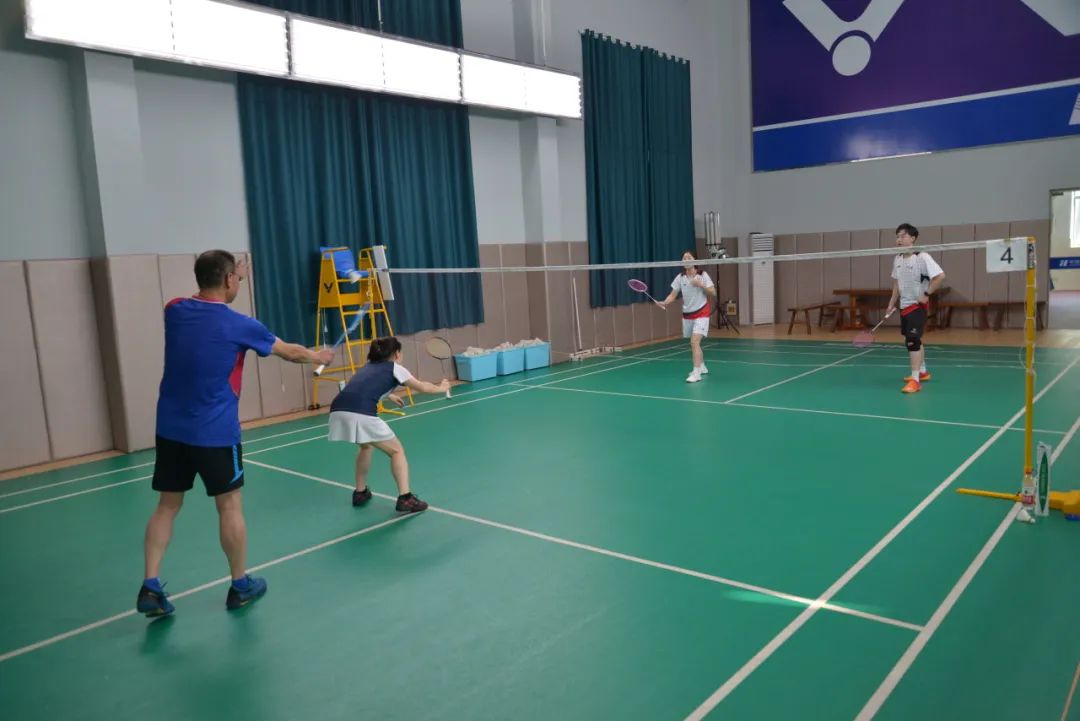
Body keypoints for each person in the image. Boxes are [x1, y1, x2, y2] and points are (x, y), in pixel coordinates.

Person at [137, 250, 334, 617]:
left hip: (171, 429)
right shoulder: (241, 325)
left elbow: (206, 295)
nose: (240, 283)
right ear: (228, 279)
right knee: (228, 506)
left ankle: (150, 585)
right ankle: (240, 585)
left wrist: (231, 272)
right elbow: (290, 353)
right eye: (238, 279)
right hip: (215, 433)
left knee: (167, 506)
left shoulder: (174, 310)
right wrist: (318, 357)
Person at [327, 336, 449, 512]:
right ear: (396, 354)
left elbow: (364, 387)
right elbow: (422, 387)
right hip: (361, 413)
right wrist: (442, 388)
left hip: (338, 410)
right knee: (396, 451)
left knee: (366, 447)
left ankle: (360, 492)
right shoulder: (396, 368)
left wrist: (389, 395)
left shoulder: (367, 367)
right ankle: (405, 498)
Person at [886, 223, 946, 394]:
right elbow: (896, 284)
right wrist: (891, 303)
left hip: (917, 306)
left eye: (903, 236)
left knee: (912, 341)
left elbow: (940, 276)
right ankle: (923, 372)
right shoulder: (897, 259)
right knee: (914, 339)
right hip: (904, 306)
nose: (899, 239)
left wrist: (926, 293)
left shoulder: (922, 257)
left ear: (913, 238)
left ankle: (915, 381)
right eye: (897, 236)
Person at [656, 251, 717, 383]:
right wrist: (665, 302)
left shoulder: (702, 275)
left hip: (702, 312)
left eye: (689, 257)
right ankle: (702, 366)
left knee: (694, 342)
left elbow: (713, 292)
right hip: (688, 314)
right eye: (684, 258)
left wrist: (700, 285)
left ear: (695, 260)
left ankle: (696, 373)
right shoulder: (680, 277)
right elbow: (673, 295)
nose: (686, 259)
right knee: (695, 344)